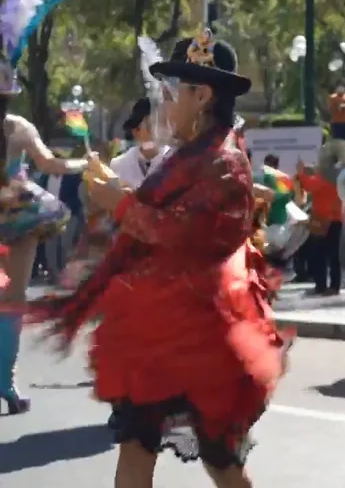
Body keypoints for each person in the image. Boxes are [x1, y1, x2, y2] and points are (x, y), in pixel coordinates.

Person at [20, 31, 287, 485]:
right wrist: (117, 193)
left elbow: (186, 235)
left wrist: (119, 203)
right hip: (162, 330)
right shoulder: (189, 153)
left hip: (198, 339)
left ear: (201, 96)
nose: (164, 105)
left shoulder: (223, 161)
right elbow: (161, 216)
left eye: (172, 93)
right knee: (139, 447)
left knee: (222, 463)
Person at [0, 59, 89, 415]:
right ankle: (5, 381)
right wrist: (85, 163)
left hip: (16, 211)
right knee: (12, 298)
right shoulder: (19, 127)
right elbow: (52, 165)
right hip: (19, 215)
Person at [296, 160, 343, 296]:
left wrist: (301, 172)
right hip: (330, 219)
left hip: (326, 220)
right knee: (327, 255)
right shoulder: (336, 177)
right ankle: (326, 285)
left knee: (322, 254)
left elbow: (310, 186)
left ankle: (326, 286)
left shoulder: (326, 178)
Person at [110, 97, 170, 188]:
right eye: (150, 126)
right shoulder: (119, 165)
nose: (156, 133)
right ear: (135, 131)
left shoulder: (174, 161)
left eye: (161, 125)